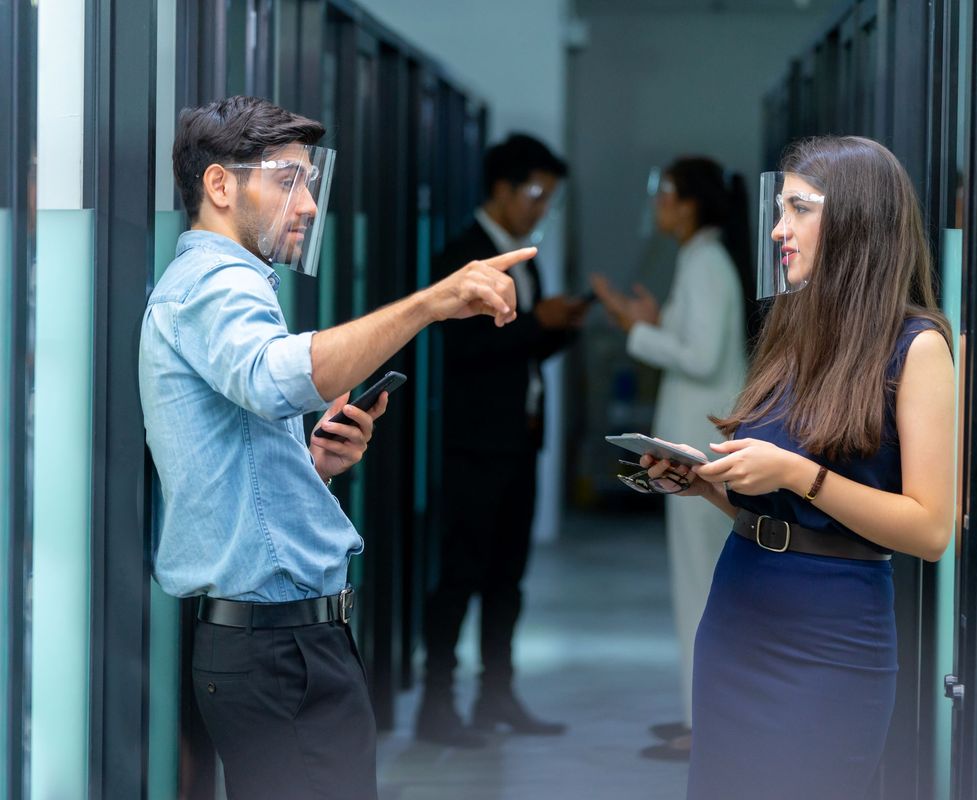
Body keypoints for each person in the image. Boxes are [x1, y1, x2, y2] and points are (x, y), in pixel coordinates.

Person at [140, 95, 533, 799]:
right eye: (287, 181)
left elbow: (240, 445)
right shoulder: (216, 282)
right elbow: (270, 378)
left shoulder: (221, 282)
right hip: (272, 647)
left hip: (284, 642)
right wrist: (428, 304)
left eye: (309, 183)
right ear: (221, 186)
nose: (309, 205)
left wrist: (311, 465)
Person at [637, 136, 955, 798]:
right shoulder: (795, 327)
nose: (779, 229)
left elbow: (929, 529)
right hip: (738, 614)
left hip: (829, 634)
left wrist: (793, 474)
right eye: (780, 209)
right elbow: (781, 508)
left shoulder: (916, 347)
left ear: (857, 222)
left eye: (799, 209)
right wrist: (707, 485)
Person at [416, 133, 586, 747]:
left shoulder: (522, 256)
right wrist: (540, 323)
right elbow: (464, 347)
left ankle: (497, 693)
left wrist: (558, 326)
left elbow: (521, 347)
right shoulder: (462, 255)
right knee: (460, 572)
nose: (541, 208)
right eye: (536, 194)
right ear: (502, 189)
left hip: (519, 439)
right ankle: (437, 703)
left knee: (508, 576)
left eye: (550, 198)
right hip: (473, 442)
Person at [591, 156, 748, 761]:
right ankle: (698, 715)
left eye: (665, 194)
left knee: (701, 589)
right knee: (700, 587)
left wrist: (636, 329)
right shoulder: (699, 257)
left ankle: (704, 726)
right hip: (698, 448)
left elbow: (703, 357)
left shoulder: (705, 260)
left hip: (700, 455)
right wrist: (652, 321)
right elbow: (697, 342)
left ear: (688, 203)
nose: (657, 205)